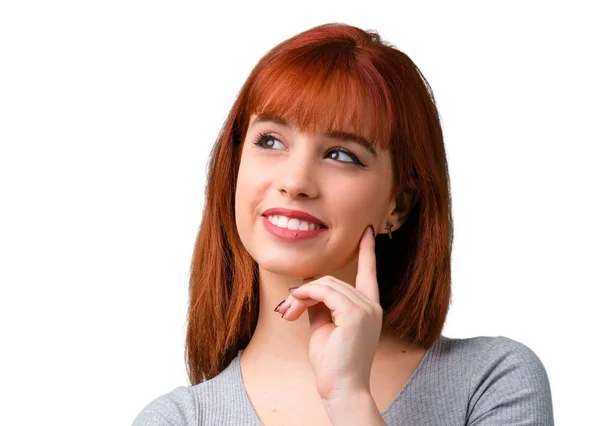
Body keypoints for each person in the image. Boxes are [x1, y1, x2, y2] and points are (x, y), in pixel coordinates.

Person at [132, 23, 554, 425]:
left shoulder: (491, 382)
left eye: (341, 154)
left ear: (399, 205)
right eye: (271, 141)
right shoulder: (178, 419)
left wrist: (350, 399)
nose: (295, 182)